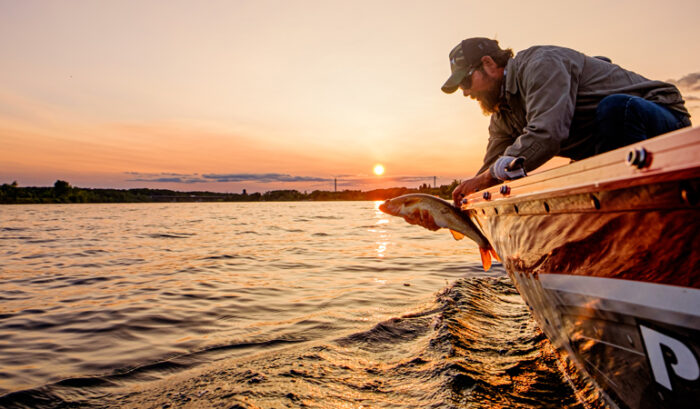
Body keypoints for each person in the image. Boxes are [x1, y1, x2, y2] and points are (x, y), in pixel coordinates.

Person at [402, 37, 691, 230]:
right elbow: (486, 176)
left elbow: (547, 135)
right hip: (610, 149)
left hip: (661, 123)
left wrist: (490, 176)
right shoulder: (501, 113)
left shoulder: (541, 65)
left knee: (615, 109)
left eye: (466, 80)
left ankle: (640, 230)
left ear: (489, 64)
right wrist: (447, 216)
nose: (465, 92)